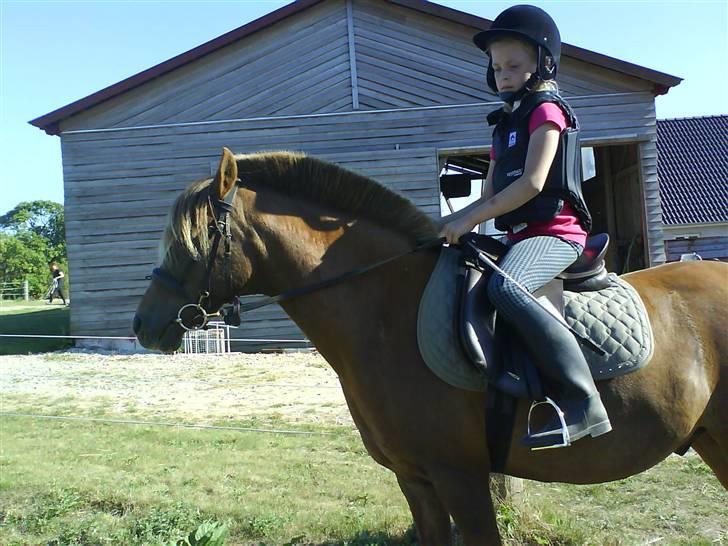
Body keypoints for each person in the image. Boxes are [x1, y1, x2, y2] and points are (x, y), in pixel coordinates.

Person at [439, 5, 611, 449]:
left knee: (508, 290)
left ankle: (582, 401)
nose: (503, 75)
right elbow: (489, 198)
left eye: (513, 65)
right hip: (517, 236)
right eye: (497, 67)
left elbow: (534, 183)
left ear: (542, 63)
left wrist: (468, 219)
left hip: (556, 233)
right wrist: (452, 223)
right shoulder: (503, 126)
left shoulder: (546, 111)